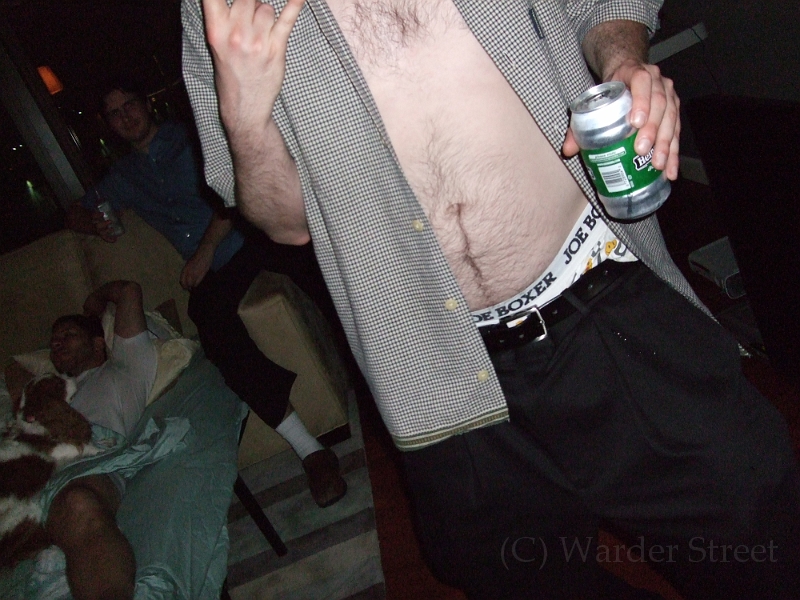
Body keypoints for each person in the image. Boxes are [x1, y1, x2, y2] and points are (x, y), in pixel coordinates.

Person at [181, 0, 800, 598]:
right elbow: (286, 222)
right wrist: (245, 115)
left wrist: (623, 63)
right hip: (437, 371)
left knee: (758, 541)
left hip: (600, 299)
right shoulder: (220, 8)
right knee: (528, 582)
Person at [65, 81, 347, 508]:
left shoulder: (193, 138)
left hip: (249, 233)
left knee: (320, 268)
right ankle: (311, 451)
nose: (125, 117)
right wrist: (93, 224)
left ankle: (385, 372)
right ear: (108, 125)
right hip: (217, 270)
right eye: (115, 113)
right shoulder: (124, 176)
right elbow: (73, 212)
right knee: (212, 325)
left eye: (130, 104)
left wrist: (206, 249)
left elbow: (233, 189)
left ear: (147, 103)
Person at [5, 280, 155, 600]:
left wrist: (95, 301)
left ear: (99, 344)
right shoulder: (51, 391)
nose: (57, 343)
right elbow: (13, 370)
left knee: (78, 504)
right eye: (53, 341)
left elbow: (129, 291)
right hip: (34, 471)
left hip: (89, 462)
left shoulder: (124, 369)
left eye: (68, 335)